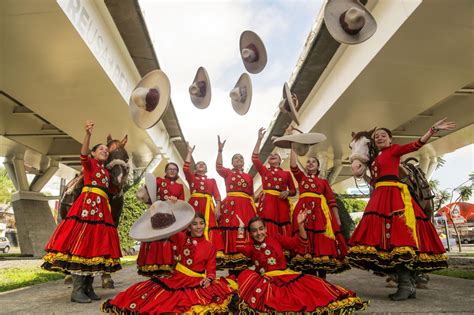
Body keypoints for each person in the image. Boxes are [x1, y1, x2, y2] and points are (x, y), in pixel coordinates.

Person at [347, 118, 454, 300]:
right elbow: (376, 180)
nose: (379, 138)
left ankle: (406, 284)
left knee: (399, 238)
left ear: (390, 139)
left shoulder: (394, 150)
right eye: (377, 136)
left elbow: (415, 145)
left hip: (394, 196)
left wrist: (432, 130)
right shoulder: (374, 160)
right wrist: (364, 175)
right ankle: (407, 284)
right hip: (380, 196)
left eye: (383, 135)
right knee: (386, 241)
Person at [42, 120, 122, 303]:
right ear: (94, 153)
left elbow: (114, 191)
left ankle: (88, 288)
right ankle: (77, 291)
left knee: (95, 248)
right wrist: (88, 135)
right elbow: (83, 154)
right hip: (87, 209)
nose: (104, 151)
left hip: (102, 211)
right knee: (83, 245)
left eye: (106, 150)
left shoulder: (106, 173)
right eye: (101, 149)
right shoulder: (90, 164)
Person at [101, 214, 236, 314]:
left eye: (201, 223)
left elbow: (211, 269)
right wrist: (170, 207)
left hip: (197, 280)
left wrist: (209, 279)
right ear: (189, 226)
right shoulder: (182, 237)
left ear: (205, 225)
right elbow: (168, 227)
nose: (199, 227)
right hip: (176, 278)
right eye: (195, 224)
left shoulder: (210, 246)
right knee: (153, 294)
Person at [234, 213, 368, 314]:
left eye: (261, 229)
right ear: (250, 234)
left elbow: (298, 243)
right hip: (266, 281)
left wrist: (301, 225)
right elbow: (239, 247)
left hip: (285, 276)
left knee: (313, 288)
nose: (259, 233)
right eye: (254, 231)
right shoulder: (251, 247)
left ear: (266, 228)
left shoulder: (276, 238)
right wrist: (240, 228)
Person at [289, 143, 349, 277]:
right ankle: (309, 282)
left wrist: (337, 219)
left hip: (320, 216)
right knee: (304, 244)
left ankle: (322, 282)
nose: (310, 163)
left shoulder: (323, 182)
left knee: (321, 244)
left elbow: (331, 201)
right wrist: (292, 146)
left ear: (318, 166)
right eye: (308, 162)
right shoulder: (301, 178)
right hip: (303, 215)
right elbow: (293, 166)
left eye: (313, 162)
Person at [136, 162, 185, 276]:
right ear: (166, 171)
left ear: (177, 172)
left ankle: (169, 265)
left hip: (171, 216)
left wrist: (176, 201)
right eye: (170, 169)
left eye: (175, 169)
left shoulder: (180, 186)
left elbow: (182, 203)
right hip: (157, 214)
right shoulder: (158, 180)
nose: (172, 171)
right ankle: (153, 265)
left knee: (171, 239)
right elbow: (148, 190)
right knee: (155, 238)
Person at [215, 135, 256, 272]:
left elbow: (251, 195)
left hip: (246, 206)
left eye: (241, 158)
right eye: (235, 158)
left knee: (245, 230)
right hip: (231, 206)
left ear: (244, 162)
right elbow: (218, 166)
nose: (239, 159)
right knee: (231, 227)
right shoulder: (228, 173)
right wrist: (220, 151)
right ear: (232, 163)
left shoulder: (249, 176)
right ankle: (232, 264)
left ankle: (244, 263)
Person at [252, 127, 296, 237]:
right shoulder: (265, 171)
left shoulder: (286, 173)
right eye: (270, 155)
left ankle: (284, 248)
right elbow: (255, 158)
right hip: (267, 202)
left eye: (275, 155)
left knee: (284, 222)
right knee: (266, 221)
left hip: (281, 202)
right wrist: (259, 139)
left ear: (280, 161)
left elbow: (294, 191)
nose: (272, 155)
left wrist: (288, 193)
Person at [184, 143, 224, 253]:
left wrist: (218, 207)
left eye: (203, 164)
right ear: (195, 168)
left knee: (210, 225)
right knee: (193, 224)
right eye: (198, 164)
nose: (201, 165)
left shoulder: (212, 181)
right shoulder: (191, 178)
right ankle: (192, 249)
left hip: (208, 206)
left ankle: (210, 250)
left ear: (206, 169)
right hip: (194, 205)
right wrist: (189, 153)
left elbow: (217, 195)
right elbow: (186, 168)